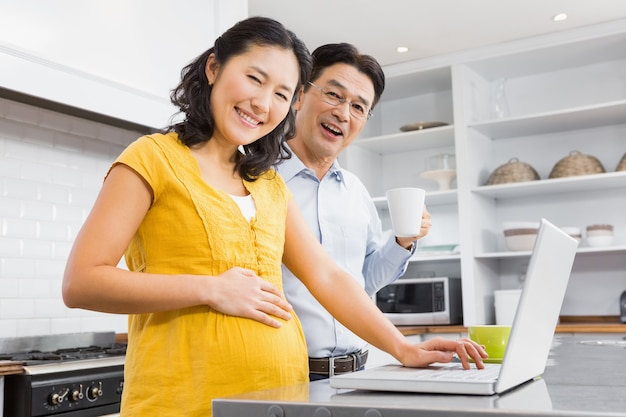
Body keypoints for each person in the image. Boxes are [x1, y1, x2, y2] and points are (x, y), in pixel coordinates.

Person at [62, 16, 487, 417]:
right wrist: (212, 289)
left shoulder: (267, 183)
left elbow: (329, 277)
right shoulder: (152, 158)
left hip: (280, 396)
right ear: (213, 67)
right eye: (254, 78)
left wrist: (402, 347)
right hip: (186, 398)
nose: (263, 104)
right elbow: (82, 282)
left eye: (282, 94)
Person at [276, 43, 432, 380]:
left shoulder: (355, 192)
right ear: (299, 95)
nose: (344, 114)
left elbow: (364, 282)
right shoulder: (259, 180)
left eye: (359, 107)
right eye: (334, 95)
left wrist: (403, 242)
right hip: (284, 374)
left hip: (356, 373)